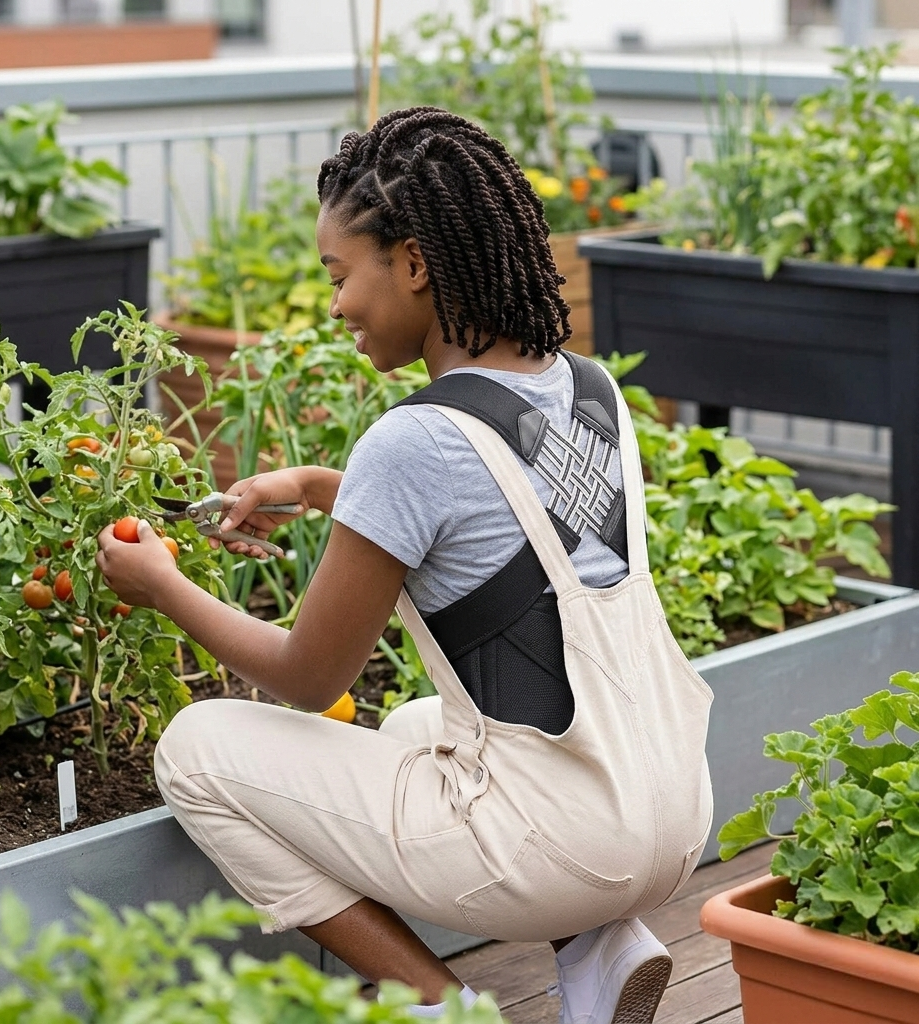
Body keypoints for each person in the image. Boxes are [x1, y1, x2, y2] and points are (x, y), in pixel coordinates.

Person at [96, 107, 713, 1024]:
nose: (335, 305)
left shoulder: (416, 439)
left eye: (340, 276)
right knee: (418, 724)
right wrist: (311, 484)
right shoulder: (588, 388)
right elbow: (506, 527)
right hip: (667, 805)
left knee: (196, 753)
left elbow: (310, 679)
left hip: (563, 843)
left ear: (415, 264)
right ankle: (603, 947)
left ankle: (443, 1006)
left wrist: (165, 589)